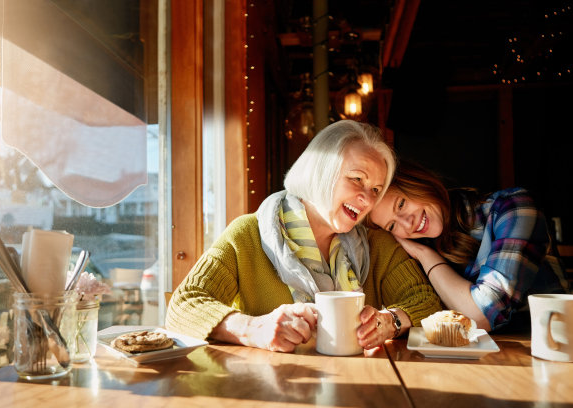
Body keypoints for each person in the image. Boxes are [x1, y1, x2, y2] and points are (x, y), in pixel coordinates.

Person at [166, 120, 442, 353]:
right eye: (357, 179)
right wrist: (253, 329)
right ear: (320, 170)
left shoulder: (377, 243)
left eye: (375, 189)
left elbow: (426, 302)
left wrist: (391, 320)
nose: (366, 198)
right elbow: (184, 304)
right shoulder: (247, 233)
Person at [368, 159, 570, 332]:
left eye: (401, 204)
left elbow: (481, 315)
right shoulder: (421, 244)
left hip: (551, 348)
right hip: (479, 361)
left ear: (419, 182)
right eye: (392, 225)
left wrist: (426, 256)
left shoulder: (514, 207)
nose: (407, 223)